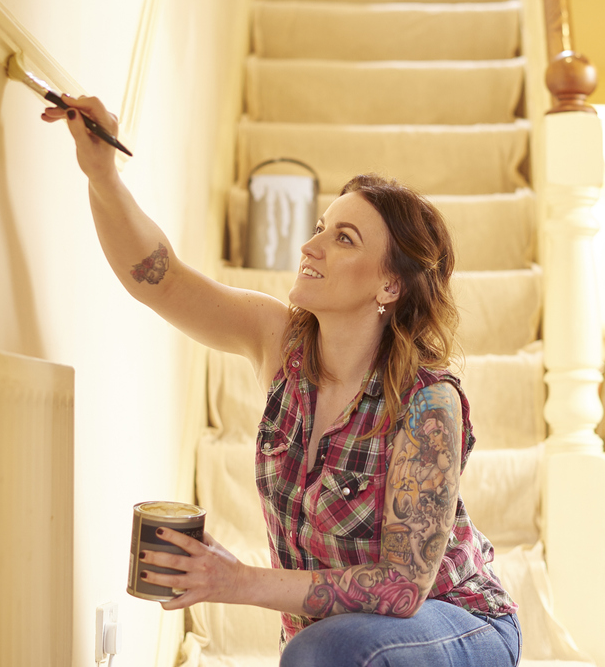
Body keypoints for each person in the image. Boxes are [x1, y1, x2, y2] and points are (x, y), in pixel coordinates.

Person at [42, 99, 521, 665]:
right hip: (339, 644)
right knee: (317, 650)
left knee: (319, 650)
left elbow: (402, 588)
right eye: (321, 228)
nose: (309, 247)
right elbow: (160, 280)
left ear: (390, 286)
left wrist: (238, 581)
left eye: (344, 239)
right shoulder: (279, 343)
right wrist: (101, 173)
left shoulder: (427, 403)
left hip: (459, 623)